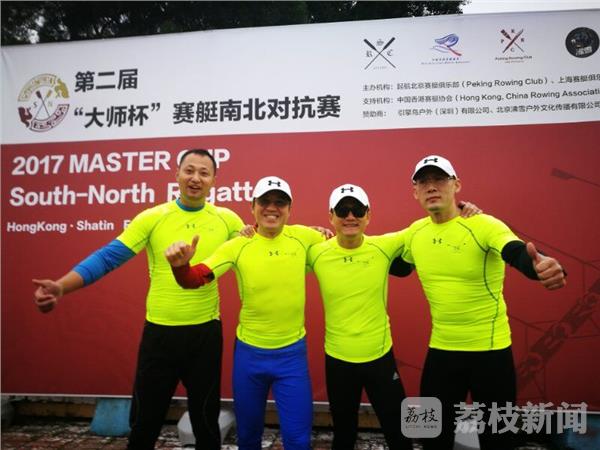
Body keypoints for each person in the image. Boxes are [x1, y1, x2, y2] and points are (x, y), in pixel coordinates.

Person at [32, 149, 244, 450]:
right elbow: (107, 258)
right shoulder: (153, 218)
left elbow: (256, 252)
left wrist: (306, 238)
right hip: (160, 335)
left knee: (206, 424)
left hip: (205, 334)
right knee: (145, 423)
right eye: (189, 170)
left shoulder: (227, 220)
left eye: (204, 172)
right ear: (177, 174)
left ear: (214, 180)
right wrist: (61, 286)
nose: (195, 178)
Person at [396, 155, 567, 450]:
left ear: (456, 185)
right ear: (415, 192)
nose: (431, 187)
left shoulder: (484, 224)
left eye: (439, 179)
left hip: (490, 355)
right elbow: (390, 262)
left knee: (497, 440)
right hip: (441, 352)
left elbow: (515, 251)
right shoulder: (415, 232)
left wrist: (540, 266)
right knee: (429, 433)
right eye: (423, 182)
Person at [307, 184, 480, 450]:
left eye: (358, 210)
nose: (350, 216)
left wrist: (462, 210)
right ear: (331, 216)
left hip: (380, 359)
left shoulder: (384, 246)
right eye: (342, 210)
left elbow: (429, 225)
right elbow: (280, 245)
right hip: (338, 361)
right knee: (343, 436)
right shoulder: (316, 252)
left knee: (399, 434)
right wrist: (252, 231)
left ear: (368, 215)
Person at [164, 176, 324, 450]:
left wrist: (326, 231)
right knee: (248, 439)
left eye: (280, 202)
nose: (271, 208)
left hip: (291, 357)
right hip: (250, 357)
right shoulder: (237, 245)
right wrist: (181, 266)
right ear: (252, 207)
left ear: (289, 209)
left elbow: (341, 249)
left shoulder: (305, 237)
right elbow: (194, 279)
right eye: (265, 201)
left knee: (298, 441)